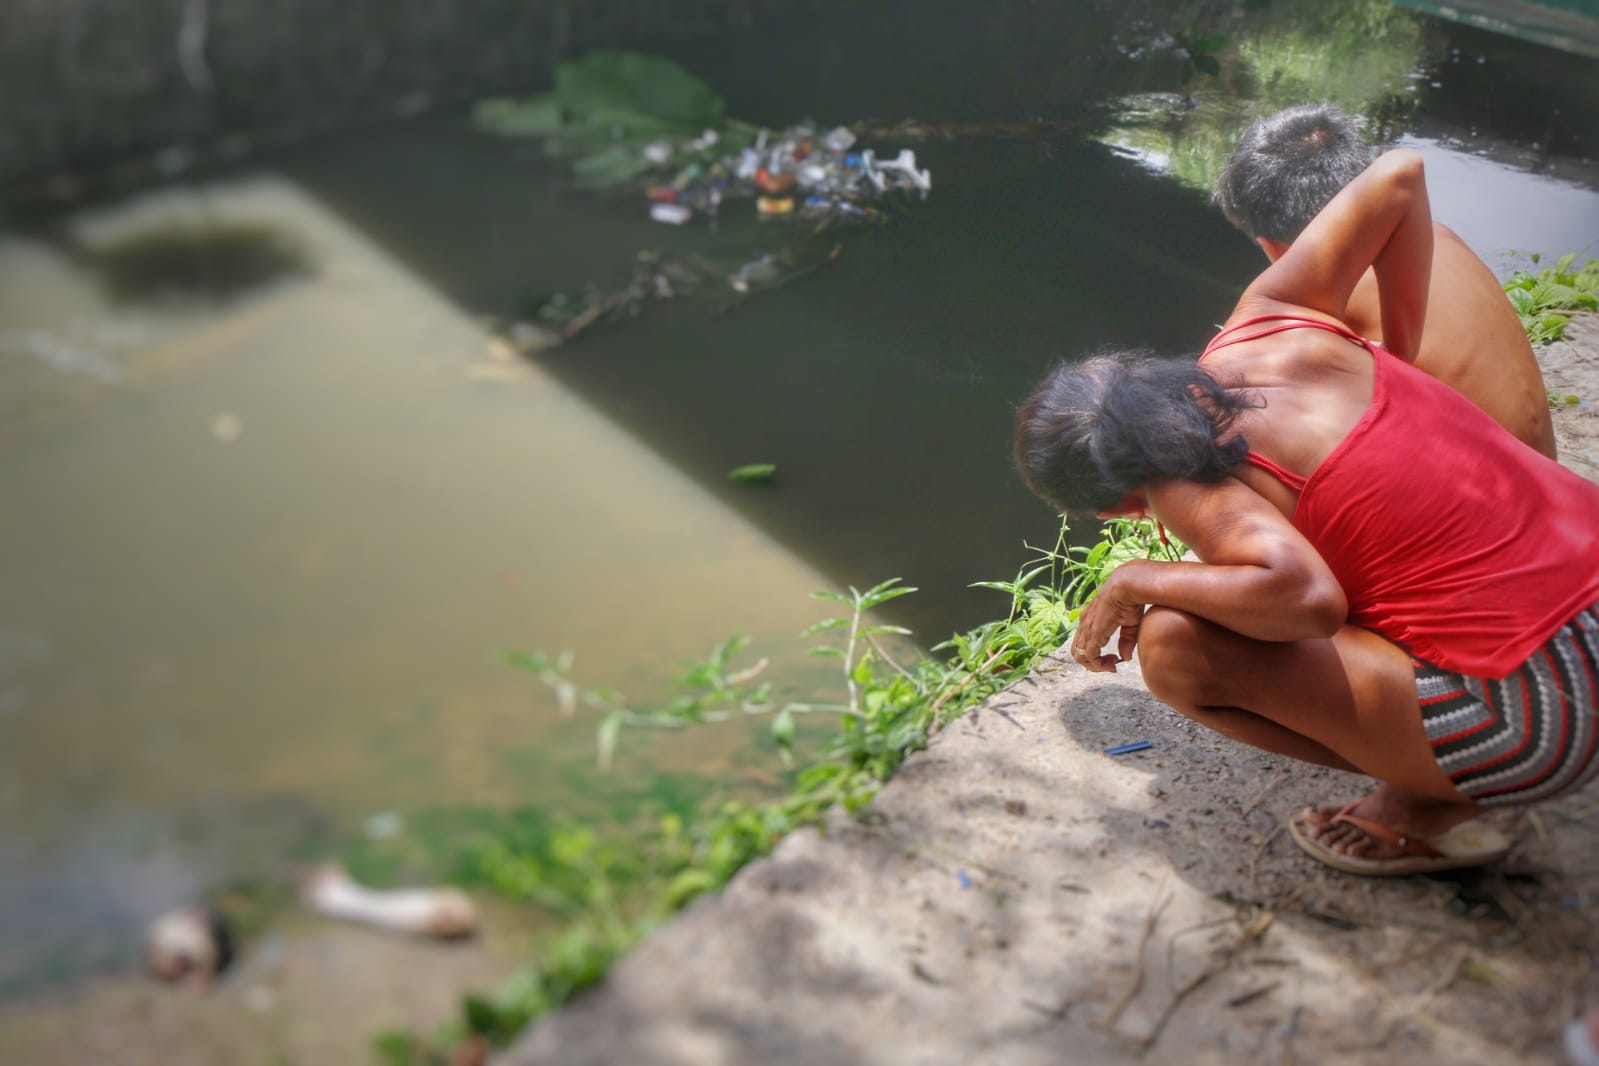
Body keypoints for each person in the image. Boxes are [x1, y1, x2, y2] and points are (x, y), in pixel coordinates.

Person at [1013, 148, 1599, 876]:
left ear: (1117, 505)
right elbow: (1399, 176)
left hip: (1556, 711)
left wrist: (1136, 578)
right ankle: (1434, 758)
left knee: (1174, 644)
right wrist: (1400, 353)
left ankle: (1428, 800)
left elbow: (1306, 599)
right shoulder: (1266, 316)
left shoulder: (1185, 478)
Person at [1215, 103, 1557, 459]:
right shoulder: (1438, 235)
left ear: (1272, 249)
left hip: (1490, 498)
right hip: (1546, 475)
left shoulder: (1327, 295)